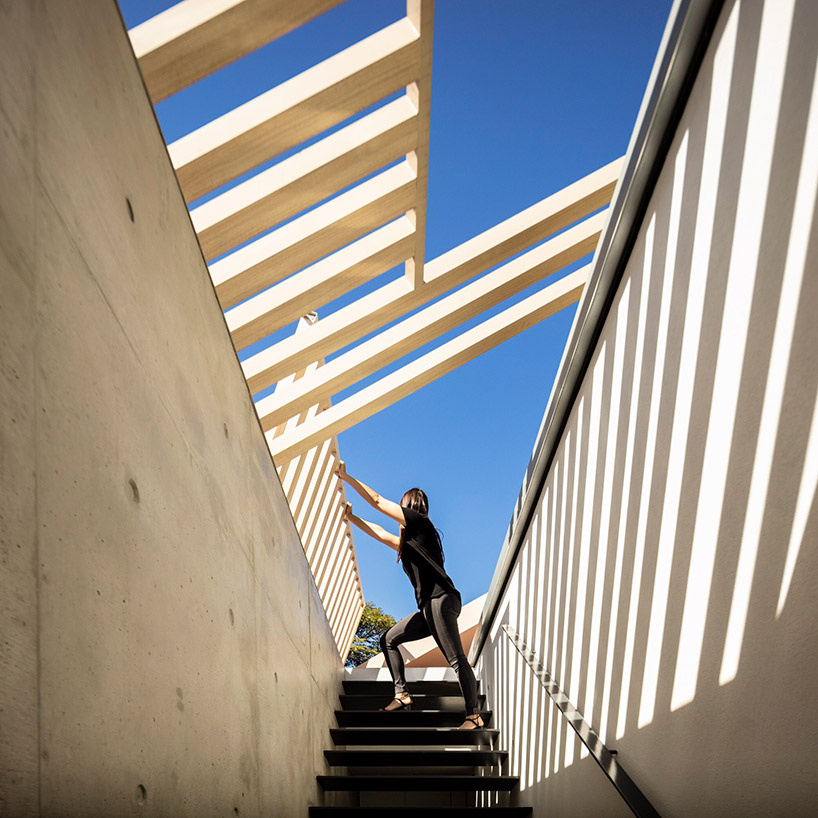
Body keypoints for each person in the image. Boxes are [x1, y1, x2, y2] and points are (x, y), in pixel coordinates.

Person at [336, 461, 483, 730]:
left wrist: (346, 476)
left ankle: (473, 716)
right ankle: (402, 694)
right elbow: (381, 534)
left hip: (440, 600)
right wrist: (351, 517)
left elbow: (377, 500)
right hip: (429, 608)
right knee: (389, 639)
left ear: (410, 506)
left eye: (402, 506)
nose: (398, 512)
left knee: (456, 659)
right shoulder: (409, 543)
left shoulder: (420, 524)